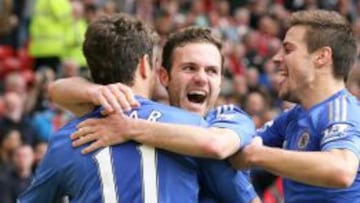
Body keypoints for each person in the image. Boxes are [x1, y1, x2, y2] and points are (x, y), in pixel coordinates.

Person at [20, 14, 258, 203]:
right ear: (154, 70)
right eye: (189, 68)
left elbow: (215, 144)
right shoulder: (194, 130)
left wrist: (128, 127)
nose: (200, 78)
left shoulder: (70, 138)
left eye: (211, 71)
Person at [228, 9, 360, 202]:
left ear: (321, 57)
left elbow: (341, 169)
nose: (276, 58)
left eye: (288, 50)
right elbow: (240, 146)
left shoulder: (343, 110)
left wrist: (257, 154)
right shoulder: (295, 116)